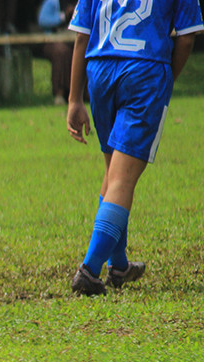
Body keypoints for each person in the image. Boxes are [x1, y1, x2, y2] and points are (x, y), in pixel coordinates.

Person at [66, 0, 202, 296]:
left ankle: (119, 265)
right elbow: (187, 37)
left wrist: (74, 99)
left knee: (112, 171)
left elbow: (81, 35)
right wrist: (166, 79)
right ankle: (89, 270)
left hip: (100, 70)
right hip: (145, 69)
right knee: (122, 179)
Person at [36, 0, 75, 105]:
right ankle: (59, 93)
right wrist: (63, 17)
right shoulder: (52, 2)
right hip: (52, 40)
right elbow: (42, 20)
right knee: (61, 52)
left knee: (82, 51)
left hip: (73, 40)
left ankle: (84, 94)